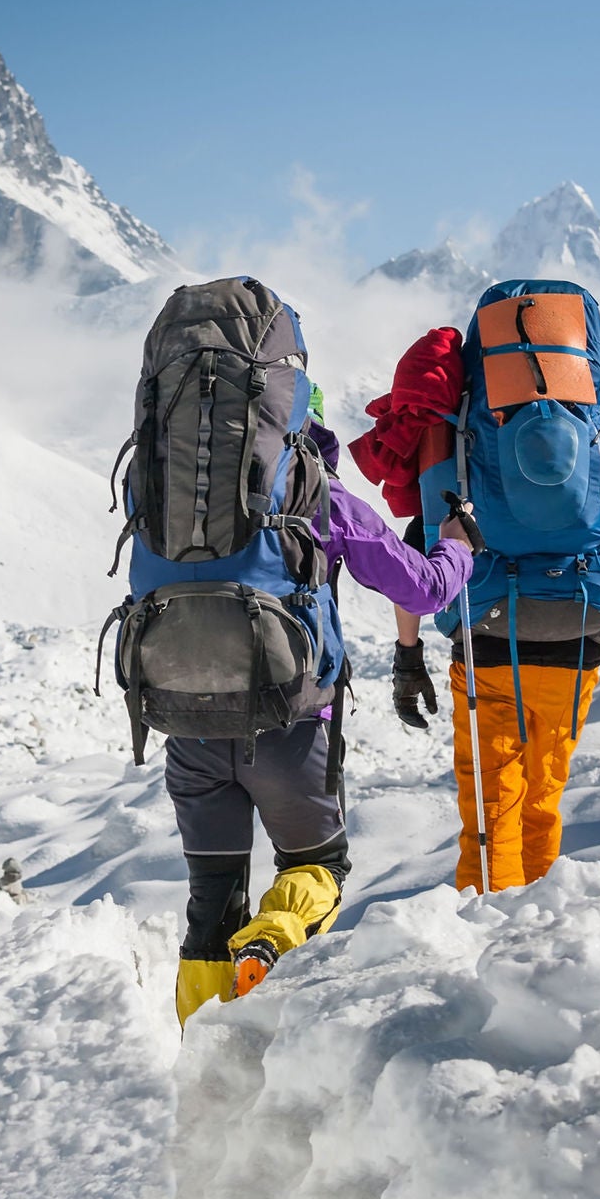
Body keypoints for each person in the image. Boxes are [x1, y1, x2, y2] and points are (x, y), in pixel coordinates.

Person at [167, 415, 472, 1021]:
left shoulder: (171, 486)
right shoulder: (316, 492)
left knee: (211, 903)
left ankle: (200, 1061)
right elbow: (423, 590)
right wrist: (458, 544)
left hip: (189, 727)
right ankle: (271, 939)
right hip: (290, 729)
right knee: (318, 867)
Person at [391, 504, 600, 889]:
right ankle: (538, 915)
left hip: (488, 651)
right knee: (542, 797)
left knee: (492, 806)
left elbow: (411, 564)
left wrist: (408, 654)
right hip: (575, 649)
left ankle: (488, 918)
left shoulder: (463, 466)